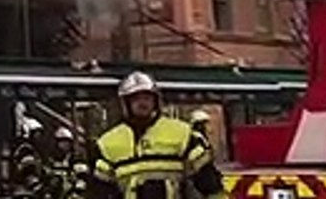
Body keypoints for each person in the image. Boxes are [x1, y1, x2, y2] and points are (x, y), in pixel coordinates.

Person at [86, 72, 225, 199]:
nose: (142, 103)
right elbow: (99, 191)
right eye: (136, 99)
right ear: (126, 103)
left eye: (147, 97)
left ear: (155, 101)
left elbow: (209, 181)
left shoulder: (181, 133)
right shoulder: (108, 142)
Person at [46, 126, 89, 199]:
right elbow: (48, 174)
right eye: (61, 142)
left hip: (72, 191)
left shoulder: (76, 158)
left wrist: (76, 191)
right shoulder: (53, 158)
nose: (64, 144)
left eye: (66, 142)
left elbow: (82, 177)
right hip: (57, 192)